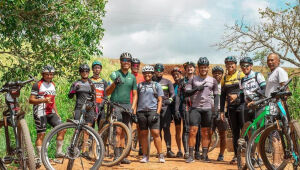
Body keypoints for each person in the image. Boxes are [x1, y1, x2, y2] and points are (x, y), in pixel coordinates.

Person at [185, 57, 219, 163]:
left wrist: (216, 109)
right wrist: (196, 89)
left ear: (208, 68)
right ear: (198, 68)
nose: (203, 69)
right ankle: (191, 155)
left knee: (206, 132)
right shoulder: (192, 79)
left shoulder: (213, 80)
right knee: (192, 131)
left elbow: (217, 96)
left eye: (205, 67)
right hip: (195, 108)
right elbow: (186, 92)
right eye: (201, 67)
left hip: (207, 109)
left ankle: (204, 156)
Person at [29, 65, 66, 162]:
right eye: (47, 74)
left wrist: (56, 113)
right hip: (40, 112)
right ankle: (40, 158)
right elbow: (31, 100)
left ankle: (58, 152)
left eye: (51, 74)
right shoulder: (37, 85)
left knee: (62, 129)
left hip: (51, 112)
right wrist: (43, 100)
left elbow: (52, 100)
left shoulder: (53, 84)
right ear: (42, 74)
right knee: (41, 134)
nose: (49, 76)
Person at [106, 52, 138, 164]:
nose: (126, 62)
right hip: (116, 104)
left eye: (128, 61)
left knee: (124, 131)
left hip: (127, 106)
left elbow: (135, 94)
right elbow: (107, 92)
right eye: (124, 60)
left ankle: (122, 156)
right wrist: (114, 83)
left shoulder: (132, 77)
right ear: (120, 61)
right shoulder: (114, 74)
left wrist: (133, 107)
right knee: (118, 130)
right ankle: (116, 156)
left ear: (130, 63)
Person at [136, 65, 165, 163]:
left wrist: (157, 113)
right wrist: (135, 112)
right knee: (143, 134)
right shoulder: (139, 85)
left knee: (156, 133)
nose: (147, 75)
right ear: (143, 74)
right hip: (141, 112)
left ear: (152, 74)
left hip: (152, 111)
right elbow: (137, 100)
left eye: (149, 73)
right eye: (145, 73)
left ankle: (160, 155)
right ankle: (145, 156)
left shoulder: (157, 85)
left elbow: (160, 100)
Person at [220, 56, 245, 164]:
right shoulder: (224, 78)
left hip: (242, 107)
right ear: (225, 65)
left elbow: (246, 90)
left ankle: (249, 155)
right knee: (235, 133)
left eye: (232, 63)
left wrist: (238, 97)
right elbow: (222, 96)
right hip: (231, 109)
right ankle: (236, 156)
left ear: (236, 65)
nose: (230, 65)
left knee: (245, 131)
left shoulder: (241, 75)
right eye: (228, 64)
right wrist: (221, 111)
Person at [68, 64, 97, 158]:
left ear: (89, 72)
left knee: (87, 131)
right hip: (79, 108)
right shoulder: (76, 83)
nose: (85, 73)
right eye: (83, 71)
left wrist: (95, 111)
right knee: (77, 129)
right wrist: (73, 90)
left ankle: (84, 151)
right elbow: (70, 96)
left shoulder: (91, 84)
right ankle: (73, 148)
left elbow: (94, 98)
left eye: (87, 71)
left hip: (89, 108)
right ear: (80, 72)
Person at [265, 53, 288, 167]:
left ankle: (276, 162)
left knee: (274, 134)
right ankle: (278, 161)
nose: (270, 62)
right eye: (268, 60)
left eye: (272, 60)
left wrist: (282, 106)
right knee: (274, 134)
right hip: (271, 106)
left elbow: (285, 89)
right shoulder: (272, 73)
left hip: (276, 106)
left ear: (278, 61)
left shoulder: (280, 71)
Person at [152, 63, 176, 158]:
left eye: (160, 70)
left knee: (166, 129)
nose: (158, 72)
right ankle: (160, 151)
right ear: (154, 71)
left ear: (163, 71)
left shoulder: (167, 81)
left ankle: (169, 150)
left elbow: (173, 94)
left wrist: (169, 100)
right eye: (157, 70)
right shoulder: (151, 81)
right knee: (157, 130)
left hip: (165, 108)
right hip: (154, 108)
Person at [175, 61, 196, 159]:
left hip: (197, 106)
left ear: (194, 68)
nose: (189, 68)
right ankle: (187, 151)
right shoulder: (182, 81)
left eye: (191, 67)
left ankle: (196, 151)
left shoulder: (198, 80)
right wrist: (176, 109)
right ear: (185, 69)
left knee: (196, 130)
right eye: (188, 67)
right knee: (186, 129)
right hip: (186, 106)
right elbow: (178, 96)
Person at [211, 65, 229, 161]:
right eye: (215, 73)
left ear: (222, 75)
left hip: (221, 113)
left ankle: (221, 154)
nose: (217, 75)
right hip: (210, 112)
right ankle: (205, 153)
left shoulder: (224, 85)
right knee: (208, 133)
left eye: (219, 73)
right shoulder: (210, 85)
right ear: (212, 74)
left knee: (223, 134)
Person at [130, 58, 144, 156]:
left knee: (139, 126)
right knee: (128, 126)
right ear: (131, 66)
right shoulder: (127, 76)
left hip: (139, 104)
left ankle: (141, 147)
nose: (136, 67)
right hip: (128, 103)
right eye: (134, 65)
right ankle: (126, 148)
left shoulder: (142, 77)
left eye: (138, 65)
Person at [90, 60, 109, 130]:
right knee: (90, 127)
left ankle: (100, 141)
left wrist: (101, 104)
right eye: (95, 68)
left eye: (98, 68)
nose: (97, 69)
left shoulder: (104, 82)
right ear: (92, 69)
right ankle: (90, 140)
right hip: (91, 107)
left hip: (101, 107)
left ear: (100, 69)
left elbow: (106, 95)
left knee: (102, 128)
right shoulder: (89, 80)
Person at [171, 67, 183, 158]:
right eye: (174, 74)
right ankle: (179, 150)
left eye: (177, 74)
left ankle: (190, 149)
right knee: (178, 130)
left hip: (186, 109)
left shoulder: (186, 83)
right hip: (176, 110)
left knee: (188, 130)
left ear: (181, 74)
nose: (175, 75)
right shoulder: (172, 86)